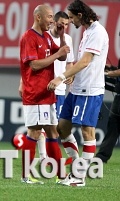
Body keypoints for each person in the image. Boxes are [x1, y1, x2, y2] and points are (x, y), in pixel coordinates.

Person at [48, 0, 109, 187]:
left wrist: (61, 77)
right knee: (62, 127)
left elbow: (85, 61)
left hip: (90, 90)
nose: (70, 21)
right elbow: (81, 64)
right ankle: (76, 167)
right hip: (77, 88)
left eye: (72, 18)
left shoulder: (97, 32)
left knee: (87, 131)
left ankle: (80, 176)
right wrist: (73, 76)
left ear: (80, 16)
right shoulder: (87, 32)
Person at [19, 5, 70, 184]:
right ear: (38, 17)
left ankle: (60, 175)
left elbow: (63, 56)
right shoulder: (29, 37)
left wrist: (62, 36)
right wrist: (57, 55)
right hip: (35, 93)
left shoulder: (48, 36)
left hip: (47, 93)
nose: (52, 20)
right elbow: (33, 65)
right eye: (49, 17)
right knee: (34, 132)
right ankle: (26, 175)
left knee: (52, 133)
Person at [25, 11, 75, 161]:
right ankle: (43, 157)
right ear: (54, 21)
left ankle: (57, 160)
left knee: (54, 128)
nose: (63, 26)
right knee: (40, 128)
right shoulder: (41, 36)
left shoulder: (66, 39)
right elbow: (30, 64)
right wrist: (23, 83)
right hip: (42, 87)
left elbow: (68, 60)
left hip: (59, 89)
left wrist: (70, 76)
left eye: (66, 24)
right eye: (61, 23)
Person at [97, 66, 120, 163]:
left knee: (113, 128)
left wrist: (106, 73)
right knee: (113, 128)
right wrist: (111, 68)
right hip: (118, 98)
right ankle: (102, 156)